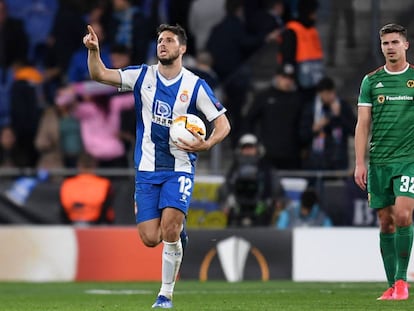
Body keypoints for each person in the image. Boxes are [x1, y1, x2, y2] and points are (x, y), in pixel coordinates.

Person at [83, 23, 230, 308]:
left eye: (169, 40)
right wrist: (94, 51)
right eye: (160, 40)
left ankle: (165, 295)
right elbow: (99, 74)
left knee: (170, 231)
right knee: (151, 238)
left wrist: (208, 144)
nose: (162, 44)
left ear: (182, 48)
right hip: (147, 170)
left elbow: (223, 123)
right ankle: (177, 234)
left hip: (180, 167)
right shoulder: (142, 75)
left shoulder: (195, 85)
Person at [354, 23, 414, 301]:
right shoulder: (371, 81)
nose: (389, 47)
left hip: (408, 160)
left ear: (405, 45)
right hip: (379, 161)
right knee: (385, 223)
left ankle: (402, 281)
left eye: (394, 42)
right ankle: (392, 284)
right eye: (385, 43)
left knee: (403, 215)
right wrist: (359, 162)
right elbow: (362, 125)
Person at [244, 64, 303, 169]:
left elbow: (302, 125)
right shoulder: (265, 96)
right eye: (284, 77)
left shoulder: (298, 99)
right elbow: (249, 119)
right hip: (267, 153)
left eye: (290, 78)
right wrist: (254, 142)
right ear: (277, 77)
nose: (287, 81)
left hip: (291, 154)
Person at [300, 76, 356, 170]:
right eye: (325, 94)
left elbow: (354, 130)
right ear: (320, 94)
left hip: (338, 160)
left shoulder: (343, 107)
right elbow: (302, 135)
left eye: (331, 93)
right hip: (316, 161)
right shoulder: (311, 108)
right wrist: (315, 128)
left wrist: (339, 116)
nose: (329, 97)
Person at [220, 133, 273, 227]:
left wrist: (268, 201)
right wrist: (227, 201)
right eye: (245, 148)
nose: (248, 150)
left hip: (259, 206)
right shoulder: (234, 168)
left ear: (257, 148)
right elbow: (226, 186)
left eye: (251, 147)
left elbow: (272, 186)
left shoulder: (264, 167)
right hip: (238, 206)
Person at [60, 152, 114, 225]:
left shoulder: (67, 183)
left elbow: (64, 206)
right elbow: (107, 207)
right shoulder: (104, 183)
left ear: (79, 166)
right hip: (97, 224)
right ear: (95, 166)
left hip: (71, 223)